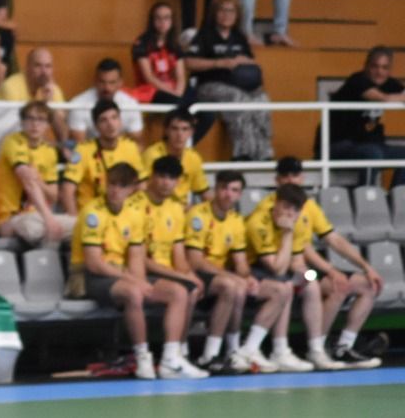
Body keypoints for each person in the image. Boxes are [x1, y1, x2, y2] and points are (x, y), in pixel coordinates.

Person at [68, 162, 206, 380]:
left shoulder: (134, 214)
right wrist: (136, 283)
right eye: (112, 183)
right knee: (133, 292)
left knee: (178, 292)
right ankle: (143, 358)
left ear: (132, 189)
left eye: (122, 186)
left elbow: (136, 258)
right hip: (86, 277)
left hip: (119, 273)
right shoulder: (92, 213)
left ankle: (171, 359)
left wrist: (141, 281)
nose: (115, 190)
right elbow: (94, 264)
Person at [248, 161, 385, 367]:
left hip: (305, 269)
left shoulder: (307, 206)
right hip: (282, 272)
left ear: (302, 178)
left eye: (295, 175)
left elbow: (328, 241)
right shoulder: (271, 211)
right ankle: (314, 349)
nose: (290, 180)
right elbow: (286, 261)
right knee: (317, 283)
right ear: (277, 181)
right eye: (285, 176)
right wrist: (327, 271)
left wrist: (364, 267)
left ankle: (341, 347)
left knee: (365, 284)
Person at [183, 170, 293, 374]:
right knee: (231, 286)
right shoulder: (198, 214)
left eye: (234, 190)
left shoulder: (236, 221)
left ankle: (244, 350)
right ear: (216, 189)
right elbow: (195, 261)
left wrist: (248, 277)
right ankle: (210, 355)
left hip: (225, 276)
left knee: (282, 290)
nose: (228, 194)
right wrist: (233, 276)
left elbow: (240, 262)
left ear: (240, 194)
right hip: (199, 276)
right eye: (224, 188)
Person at [129, 158, 211, 369]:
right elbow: (141, 259)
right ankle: (170, 358)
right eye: (162, 177)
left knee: (192, 289)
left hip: (167, 272)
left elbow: (179, 256)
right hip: (141, 272)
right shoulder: (134, 206)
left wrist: (189, 274)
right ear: (151, 177)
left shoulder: (175, 208)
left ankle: (179, 352)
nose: (166, 183)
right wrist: (181, 277)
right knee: (181, 291)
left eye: (172, 178)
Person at [187, 0, 271, 162]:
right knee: (239, 99)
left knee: (262, 99)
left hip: (239, 83)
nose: (227, 15)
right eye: (222, 10)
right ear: (214, 13)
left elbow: (250, 60)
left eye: (231, 11)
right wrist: (219, 63)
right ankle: (243, 154)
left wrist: (242, 60)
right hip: (210, 85)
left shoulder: (239, 37)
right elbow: (189, 62)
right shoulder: (204, 35)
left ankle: (263, 154)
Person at [0, 101, 71, 245]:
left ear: (48, 125)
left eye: (41, 119)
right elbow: (28, 181)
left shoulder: (49, 151)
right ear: (22, 122)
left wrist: (39, 180)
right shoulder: (13, 142)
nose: (35, 124)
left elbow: (53, 196)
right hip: (12, 219)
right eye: (30, 118)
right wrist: (50, 219)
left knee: (80, 226)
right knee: (35, 228)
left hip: (40, 216)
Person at [326, 46, 405, 178]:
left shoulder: (389, 83)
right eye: (375, 66)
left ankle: (398, 196)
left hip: (369, 144)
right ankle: (368, 197)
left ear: (389, 70)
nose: (379, 72)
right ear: (366, 66)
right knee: (373, 153)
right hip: (339, 145)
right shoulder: (357, 80)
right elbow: (384, 99)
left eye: (385, 68)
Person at [61, 98, 144, 213]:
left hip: (125, 217)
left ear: (120, 121)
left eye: (114, 118)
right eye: (103, 120)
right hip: (91, 217)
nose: (110, 124)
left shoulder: (131, 147)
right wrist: (75, 222)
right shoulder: (83, 150)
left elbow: (141, 185)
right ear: (96, 126)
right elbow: (67, 189)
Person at [66, 59, 145, 141]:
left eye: (112, 82)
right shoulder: (78, 105)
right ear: (95, 81)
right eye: (102, 82)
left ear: (120, 82)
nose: (107, 88)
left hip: (120, 152)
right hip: (89, 152)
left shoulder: (131, 105)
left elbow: (137, 144)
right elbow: (78, 145)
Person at [143, 110, 208, 208]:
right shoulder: (152, 154)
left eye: (185, 129)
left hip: (183, 211)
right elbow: (142, 188)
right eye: (174, 129)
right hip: (155, 208)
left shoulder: (194, 158)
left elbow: (204, 192)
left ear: (191, 132)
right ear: (166, 131)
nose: (179, 134)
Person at [131, 0, 190, 106]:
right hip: (152, 91)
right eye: (158, 18)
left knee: (204, 111)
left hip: (174, 90)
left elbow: (181, 77)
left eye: (166, 18)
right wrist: (174, 94)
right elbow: (149, 78)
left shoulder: (175, 45)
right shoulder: (141, 43)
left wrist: (178, 93)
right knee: (179, 104)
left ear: (172, 21)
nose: (162, 22)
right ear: (152, 20)